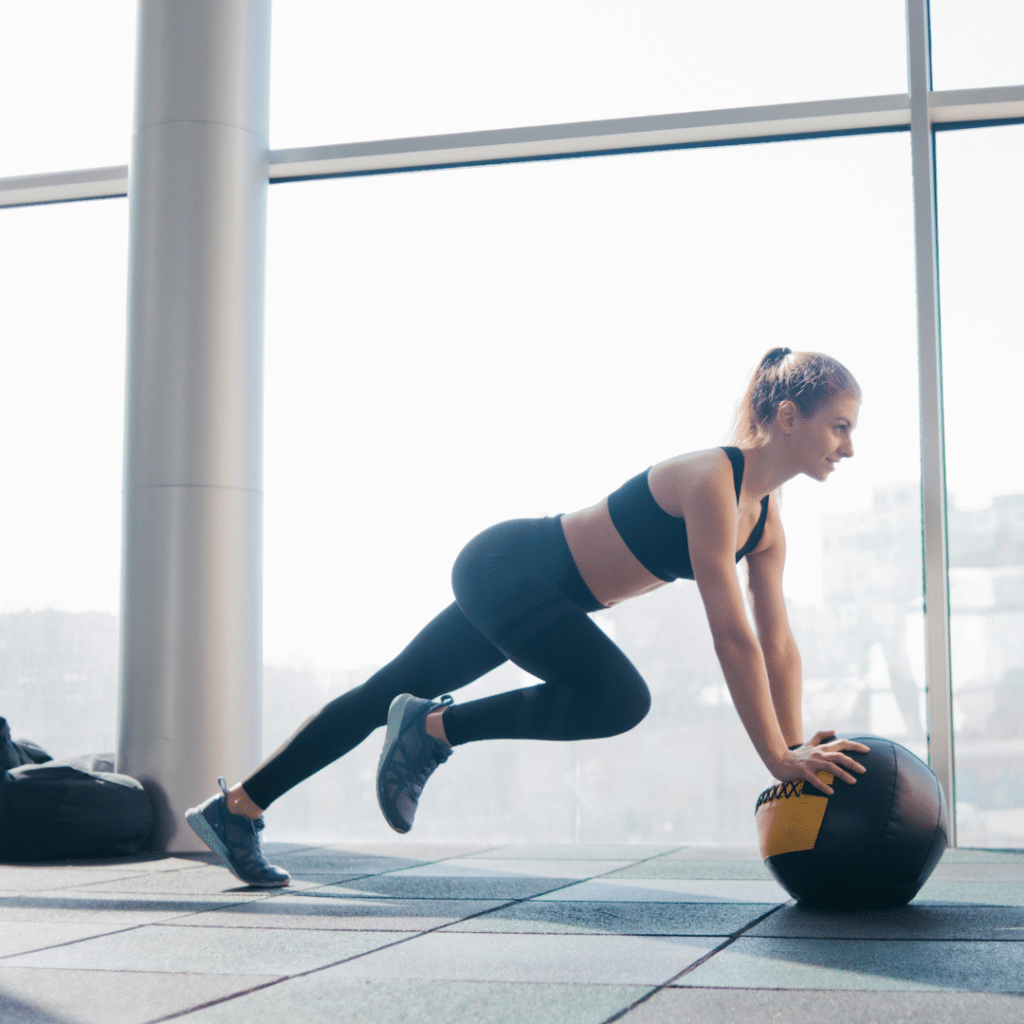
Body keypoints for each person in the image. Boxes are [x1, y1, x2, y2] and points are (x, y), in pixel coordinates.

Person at [187, 346, 870, 887]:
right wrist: (777, 755)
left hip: (537, 595)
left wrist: (796, 746)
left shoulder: (768, 521)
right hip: (507, 568)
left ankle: (237, 807)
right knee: (619, 698)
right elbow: (732, 637)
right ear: (788, 417)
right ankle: (431, 728)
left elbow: (776, 643)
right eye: (838, 426)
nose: (848, 446)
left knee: (376, 696)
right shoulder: (710, 484)